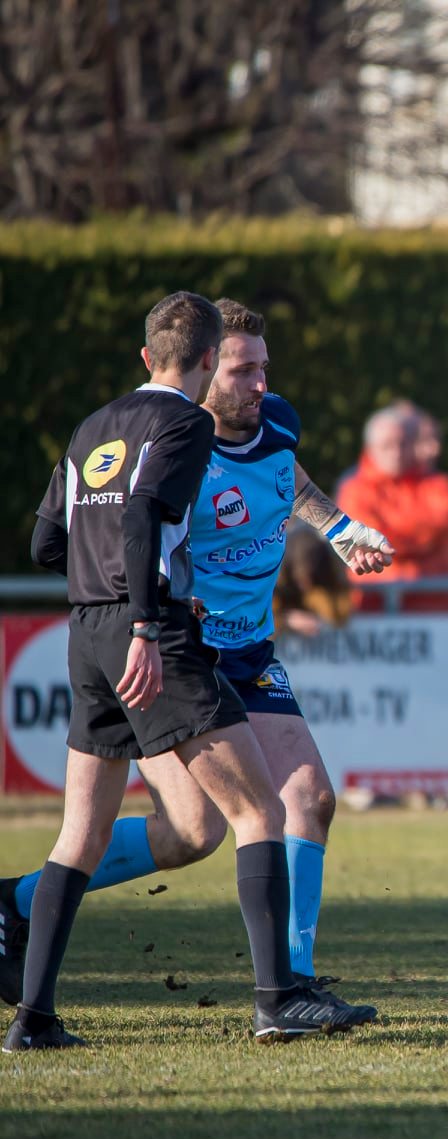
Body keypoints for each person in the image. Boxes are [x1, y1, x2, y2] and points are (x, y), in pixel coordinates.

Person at [3, 293, 370, 1050]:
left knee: (288, 803)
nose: (258, 384)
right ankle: (277, 997)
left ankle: (37, 1011)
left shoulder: (100, 426)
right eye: (241, 369)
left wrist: (337, 528)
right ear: (203, 364)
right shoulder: (183, 430)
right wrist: (151, 611)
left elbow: (54, 540)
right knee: (228, 821)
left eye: (264, 369)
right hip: (168, 642)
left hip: (138, 637)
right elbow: (141, 520)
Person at [335, 404, 448, 612]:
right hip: (371, 611)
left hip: (434, 613)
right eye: (387, 445)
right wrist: (420, 535)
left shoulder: (442, 486)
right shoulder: (353, 490)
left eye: (403, 444)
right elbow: (365, 540)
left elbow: (446, 522)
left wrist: (389, 537)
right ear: (370, 448)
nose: (396, 452)